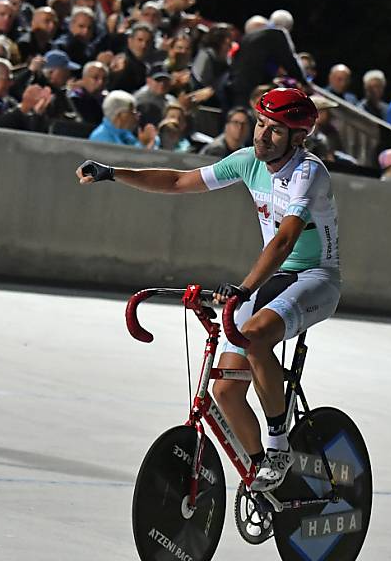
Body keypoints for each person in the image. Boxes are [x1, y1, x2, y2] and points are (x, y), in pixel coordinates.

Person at [77, 87, 339, 493]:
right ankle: (265, 479)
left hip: (314, 277)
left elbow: (285, 240)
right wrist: (114, 173)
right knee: (226, 391)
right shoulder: (248, 162)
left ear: (298, 137)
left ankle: (278, 446)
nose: (262, 136)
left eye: (275, 131)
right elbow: (180, 181)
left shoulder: (309, 172)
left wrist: (244, 288)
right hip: (272, 279)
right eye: (261, 124)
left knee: (252, 337)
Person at [87, 89, 157, 148]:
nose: (137, 115)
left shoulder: (126, 133)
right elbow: (126, 161)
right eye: (132, 111)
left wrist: (149, 141)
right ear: (121, 115)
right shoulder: (100, 139)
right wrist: (145, 144)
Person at [68, 60, 108, 124]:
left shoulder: (108, 101)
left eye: (104, 78)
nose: (101, 82)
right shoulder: (74, 98)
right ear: (84, 79)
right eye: (95, 78)